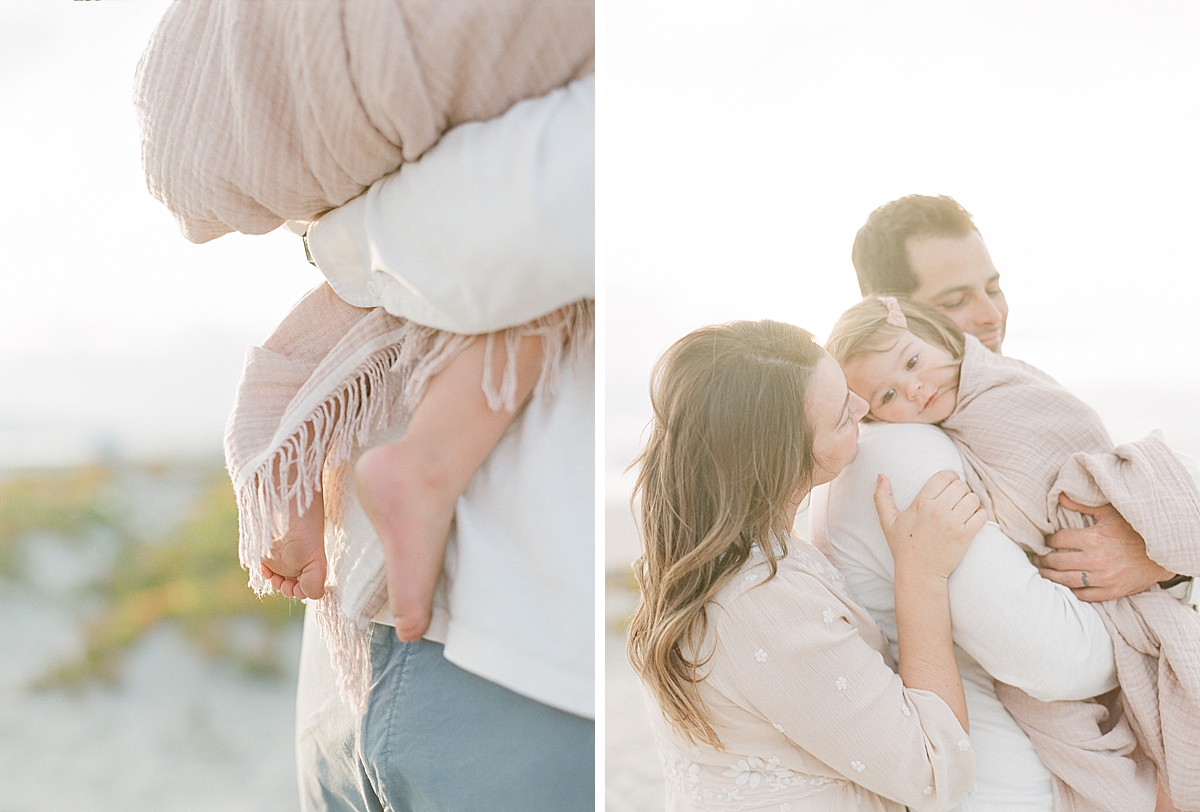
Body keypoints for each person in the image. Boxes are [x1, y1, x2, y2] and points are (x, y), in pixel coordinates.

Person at [813, 194, 1200, 811]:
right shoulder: (905, 451)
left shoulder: (995, 403)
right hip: (1001, 789)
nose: (990, 315)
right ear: (903, 315)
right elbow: (1055, 658)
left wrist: (1160, 557)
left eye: (993, 287)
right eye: (956, 300)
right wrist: (1151, 588)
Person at [628, 319, 986, 812]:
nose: (862, 407)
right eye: (842, 416)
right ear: (777, 462)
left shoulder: (700, 560)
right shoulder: (762, 598)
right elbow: (935, 771)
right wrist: (921, 576)